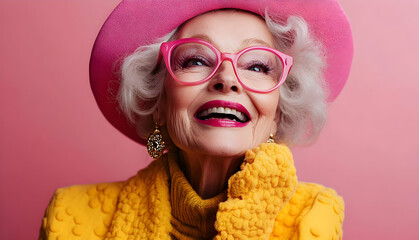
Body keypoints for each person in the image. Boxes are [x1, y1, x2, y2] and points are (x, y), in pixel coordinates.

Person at [39, 0, 353, 239]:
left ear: (278, 112)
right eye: (197, 60)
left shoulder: (313, 219)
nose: (227, 79)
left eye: (257, 66)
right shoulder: (68, 218)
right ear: (157, 101)